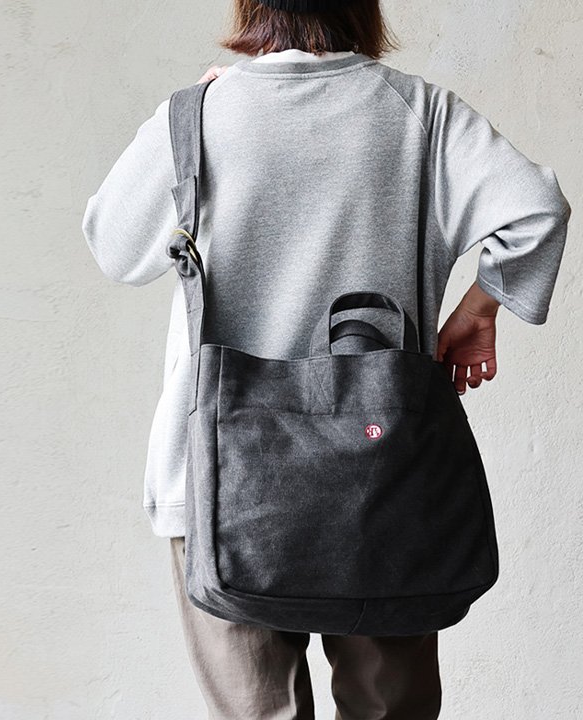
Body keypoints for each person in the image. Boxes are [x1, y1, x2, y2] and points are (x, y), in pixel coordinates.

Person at [81, 0, 572, 717]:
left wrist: (185, 120)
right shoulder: (420, 114)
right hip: (380, 474)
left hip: (217, 479)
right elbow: (537, 210)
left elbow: (114, 246)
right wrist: (477, 311)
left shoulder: (198, 118)